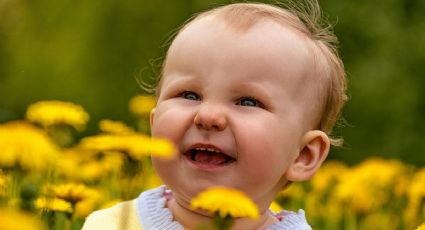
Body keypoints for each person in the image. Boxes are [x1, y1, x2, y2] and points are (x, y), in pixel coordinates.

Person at [82, 0, 347, 229]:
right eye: (189, 95)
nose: (208, 116)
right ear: (153, 126)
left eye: (247, 101)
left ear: (303, 155)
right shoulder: (110, 225)